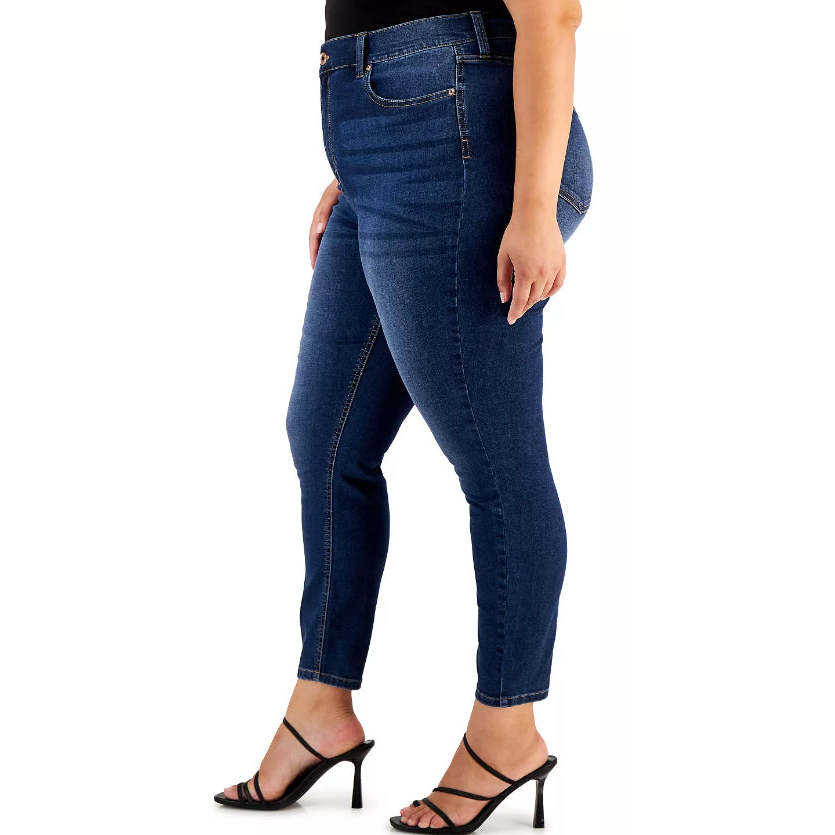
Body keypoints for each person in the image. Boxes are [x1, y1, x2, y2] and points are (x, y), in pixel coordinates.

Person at [214, 1, 592, 830]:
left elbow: (552, 16)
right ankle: (321, 706)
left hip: (461, 143)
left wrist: (532, 210)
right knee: (325, 435)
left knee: (494, 460)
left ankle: (507, 729)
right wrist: (360, 166)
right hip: (382, 142)